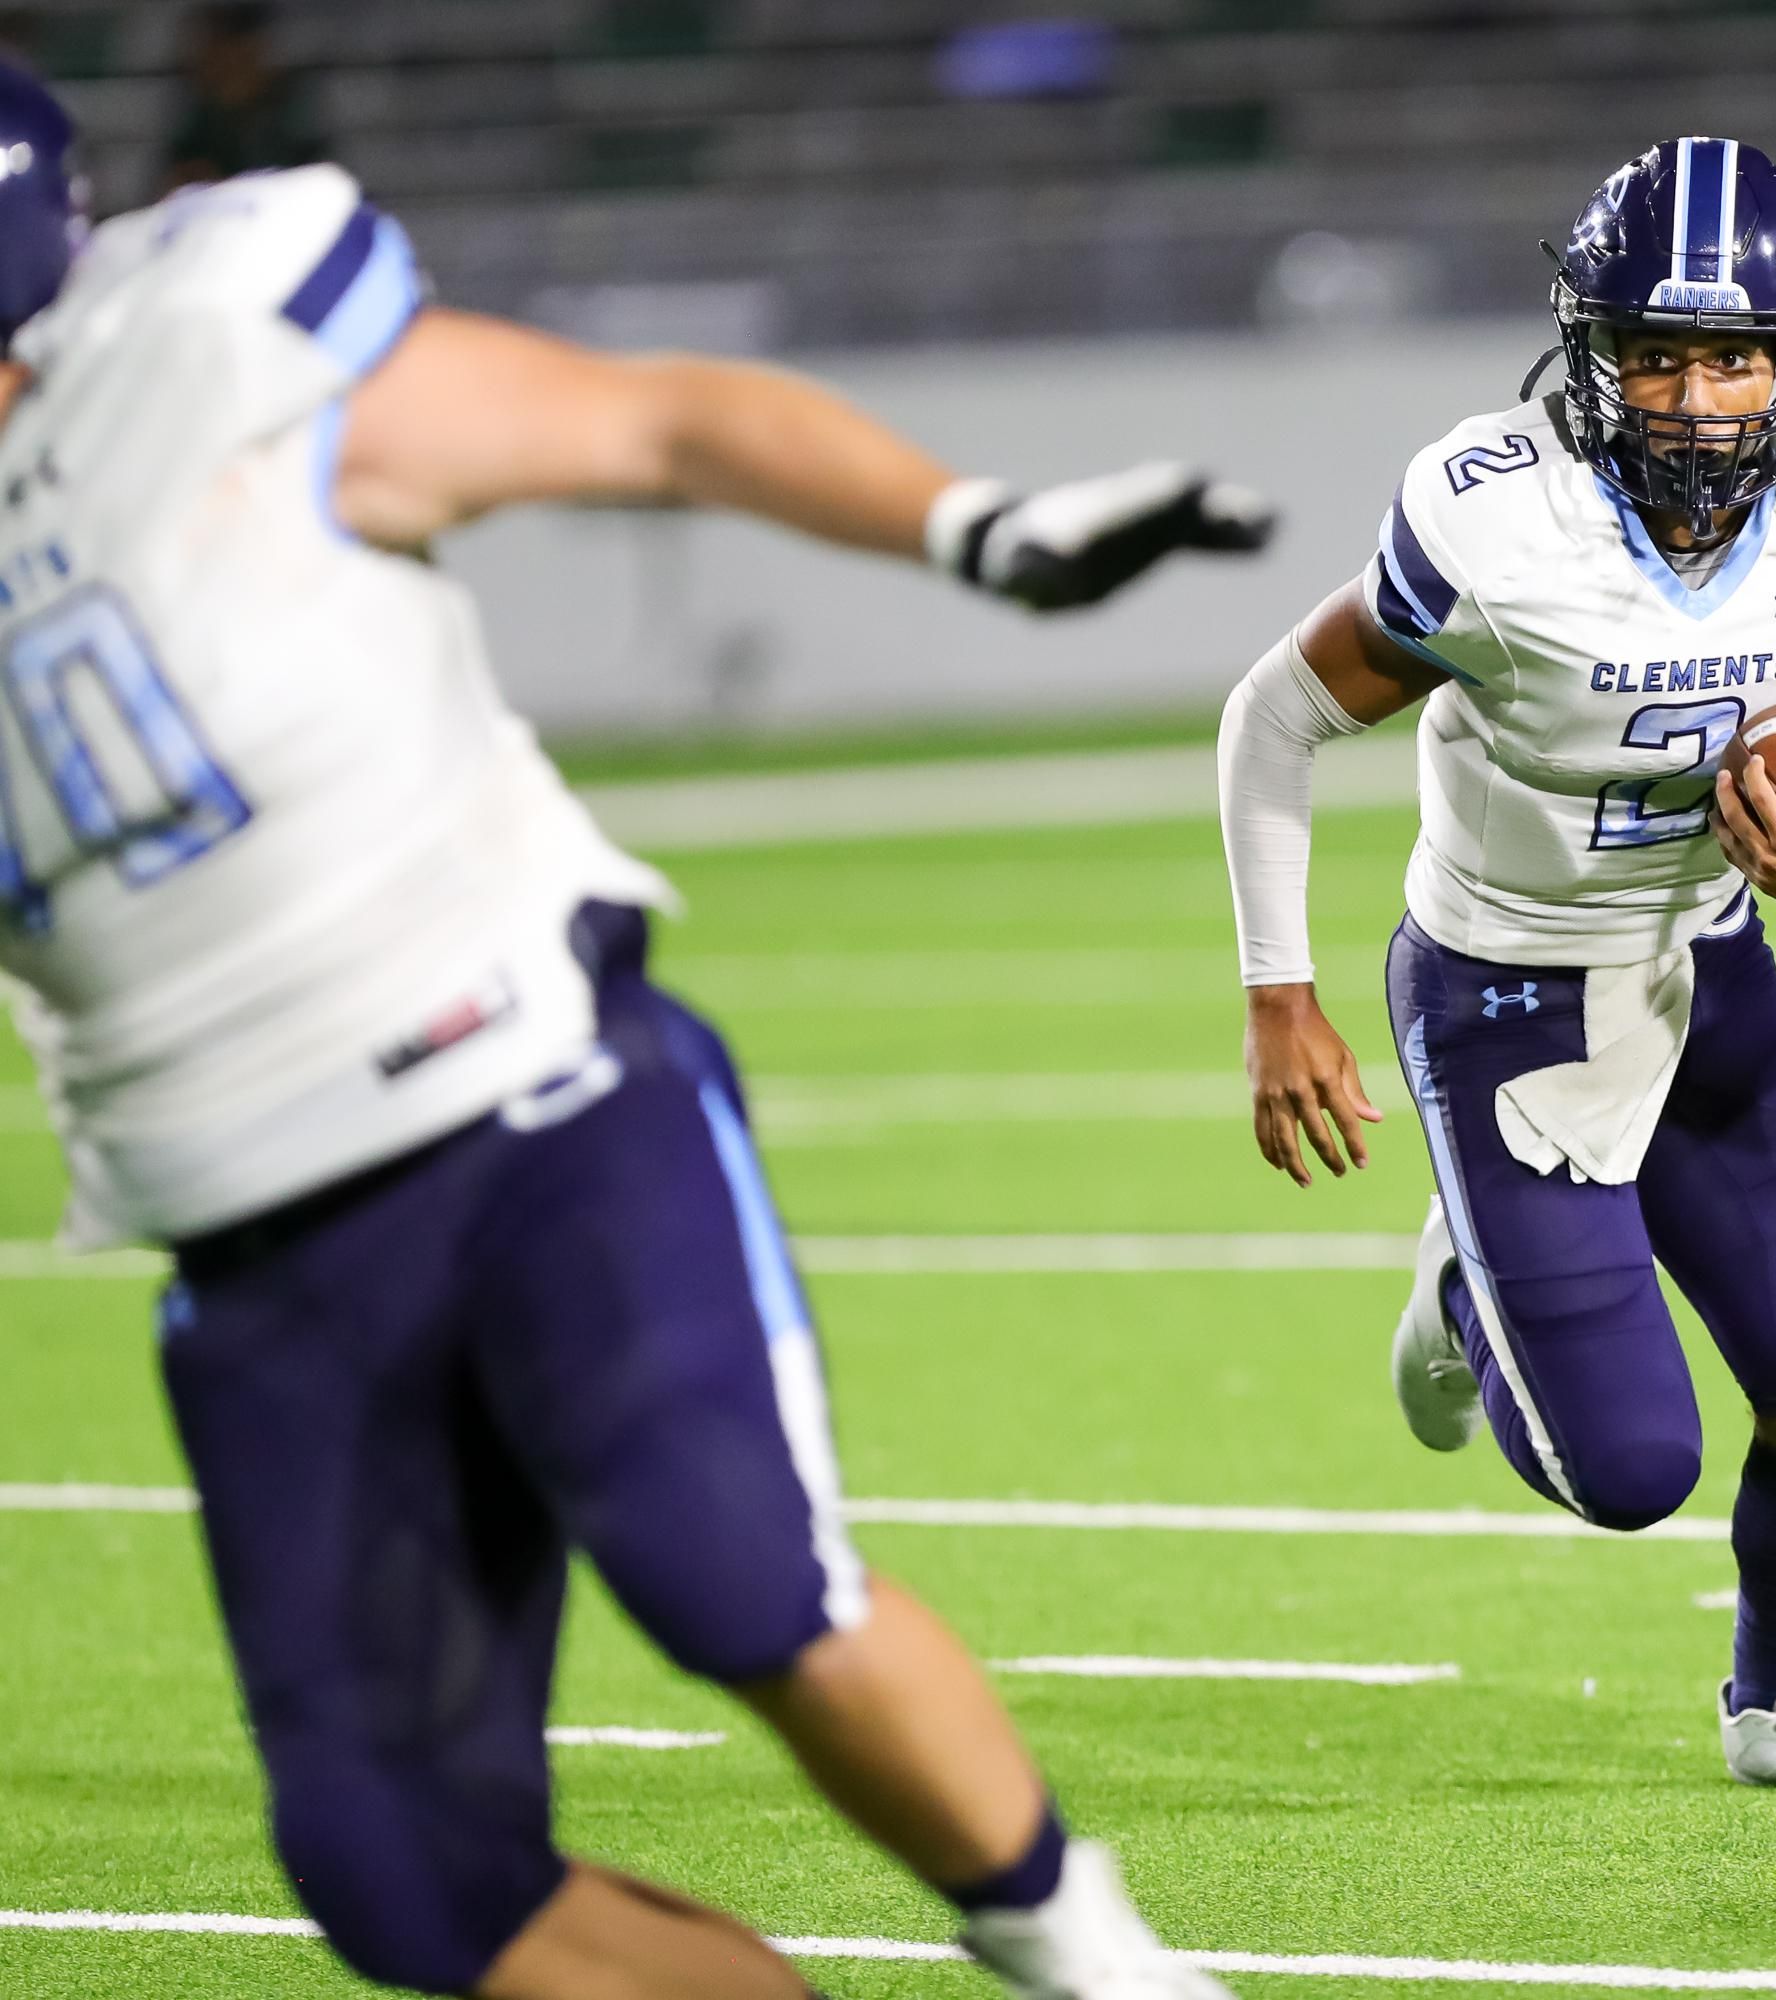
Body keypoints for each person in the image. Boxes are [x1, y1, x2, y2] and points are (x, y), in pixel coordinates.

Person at [0, 71, 1270, 2000]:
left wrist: (977, 527)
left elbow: (655, 420)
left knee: (736, 1581)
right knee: (398, 1871)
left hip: (529, 1101)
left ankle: (1095, 1965)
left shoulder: (205, 352)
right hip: (249, 1245)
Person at [1216, 137, 1776, 1795]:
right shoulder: (1497, 519)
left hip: (1709, 965)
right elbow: (1273, 713)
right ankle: (1459, 1283)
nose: (1699, 399)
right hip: (1507, 988)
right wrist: (1283, 993)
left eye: (1736, 355)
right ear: (1589, 348)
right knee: (1629, 1470)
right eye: (1656, 352)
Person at [163, 3, 330, 191]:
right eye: (215, 60)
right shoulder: (198, 116)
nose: (220, 70)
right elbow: (173, 186)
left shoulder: (296, 113)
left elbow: (319, 187)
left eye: (232, 61)